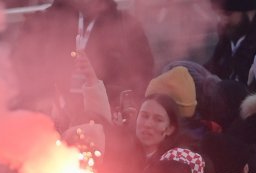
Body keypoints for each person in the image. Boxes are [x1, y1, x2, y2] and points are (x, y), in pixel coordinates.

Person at [12, 0, 154, 105]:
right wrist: (40, 97)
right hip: (51, 114)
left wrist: (113, 100)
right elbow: (20, 63)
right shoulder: (45, 20)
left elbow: (142, 75)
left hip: (104, 116)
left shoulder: (124, 26)